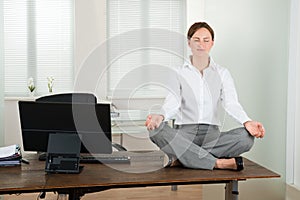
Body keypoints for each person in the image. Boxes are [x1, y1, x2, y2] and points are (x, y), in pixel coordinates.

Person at [145, 22, 265, 171]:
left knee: (246, 138)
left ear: (212, 43)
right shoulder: (177, 72)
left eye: (206, 40)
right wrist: (160, 116)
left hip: (212, 136)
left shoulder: (222, 73)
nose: (201, 44)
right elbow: (173, 102)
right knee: (156, 130)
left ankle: (184, 158)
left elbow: (231, 103)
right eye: (196, 40)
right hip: (184, 133)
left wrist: (247, 122)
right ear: (189, 42)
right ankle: (217, 163)